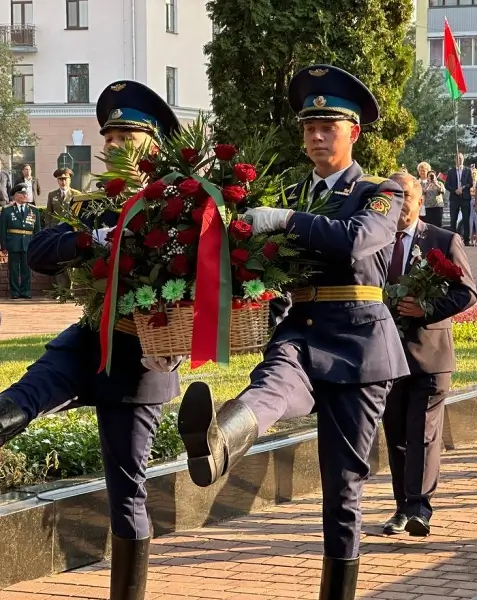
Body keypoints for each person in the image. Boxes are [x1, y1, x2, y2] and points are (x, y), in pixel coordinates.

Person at [176, 64, 407, 600]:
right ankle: (216, 445)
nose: (317, 135)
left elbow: (356, 242)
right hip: (300, 331)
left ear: (354, 132)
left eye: (329, 125)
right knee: (268, 388)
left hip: (358, 345)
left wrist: (284, 220)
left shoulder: (380, 191)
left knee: (342, 486)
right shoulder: (290, 192)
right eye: (309, 126)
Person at [0, 80, 182, 600]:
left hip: (142, 357)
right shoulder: (94, 204)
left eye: (127, 136)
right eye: (111, 137)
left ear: (152, 144)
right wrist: (90, 240)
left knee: (127, 491)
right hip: (87, 340)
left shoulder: (175, 205)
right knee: (21, 398)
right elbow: (39, 251)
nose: (115, 146)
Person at [381, 172, 477, 538]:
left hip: (430, 356)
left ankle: (419, 506)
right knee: (396, 434)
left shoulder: (441, 240)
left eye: (405, 194)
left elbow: (466, 292)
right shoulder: (374, 242)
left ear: (421, 201)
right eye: (391, 195)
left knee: (422, 431)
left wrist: (427, 307)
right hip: (386, 356)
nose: (399, 201)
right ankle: (402, 508)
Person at [0, 183, 41, 299]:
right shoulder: (7, 210)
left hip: (28, 243)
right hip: (13, 243)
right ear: (15, 195)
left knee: (26, 269)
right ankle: (15, 292)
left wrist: (37, 246)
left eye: (26, 193)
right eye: (22, 194)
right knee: (13, 269)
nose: (25, 196)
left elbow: (37, 230)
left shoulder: (34, 210)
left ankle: (26, 291)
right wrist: (3, 246)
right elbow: (2, 230)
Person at [445, 153, 473, 245]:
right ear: (455, 160)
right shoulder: (451, 171)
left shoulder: (468, 170)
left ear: (463, 159)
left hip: (465, 198)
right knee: (453, 219)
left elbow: (470, 183)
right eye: (458, 158)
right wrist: (455, 190)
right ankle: (453, 240)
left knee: (466, 219)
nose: (460, 160)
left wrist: (463, 187)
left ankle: (466, 240)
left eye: (461, 158)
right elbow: (447, 185)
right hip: (454, 198)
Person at [419, 163, 444, 227]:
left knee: (438, 225)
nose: (431, 177)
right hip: (428, 207)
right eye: (430, 176)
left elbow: (442, 191)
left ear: (435, 176)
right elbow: (422, 192)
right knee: (429, 225)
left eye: (432, 176)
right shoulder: (425, 184)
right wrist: (428, 184)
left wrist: (435, 183)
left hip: (438, 206)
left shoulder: (439, 183)